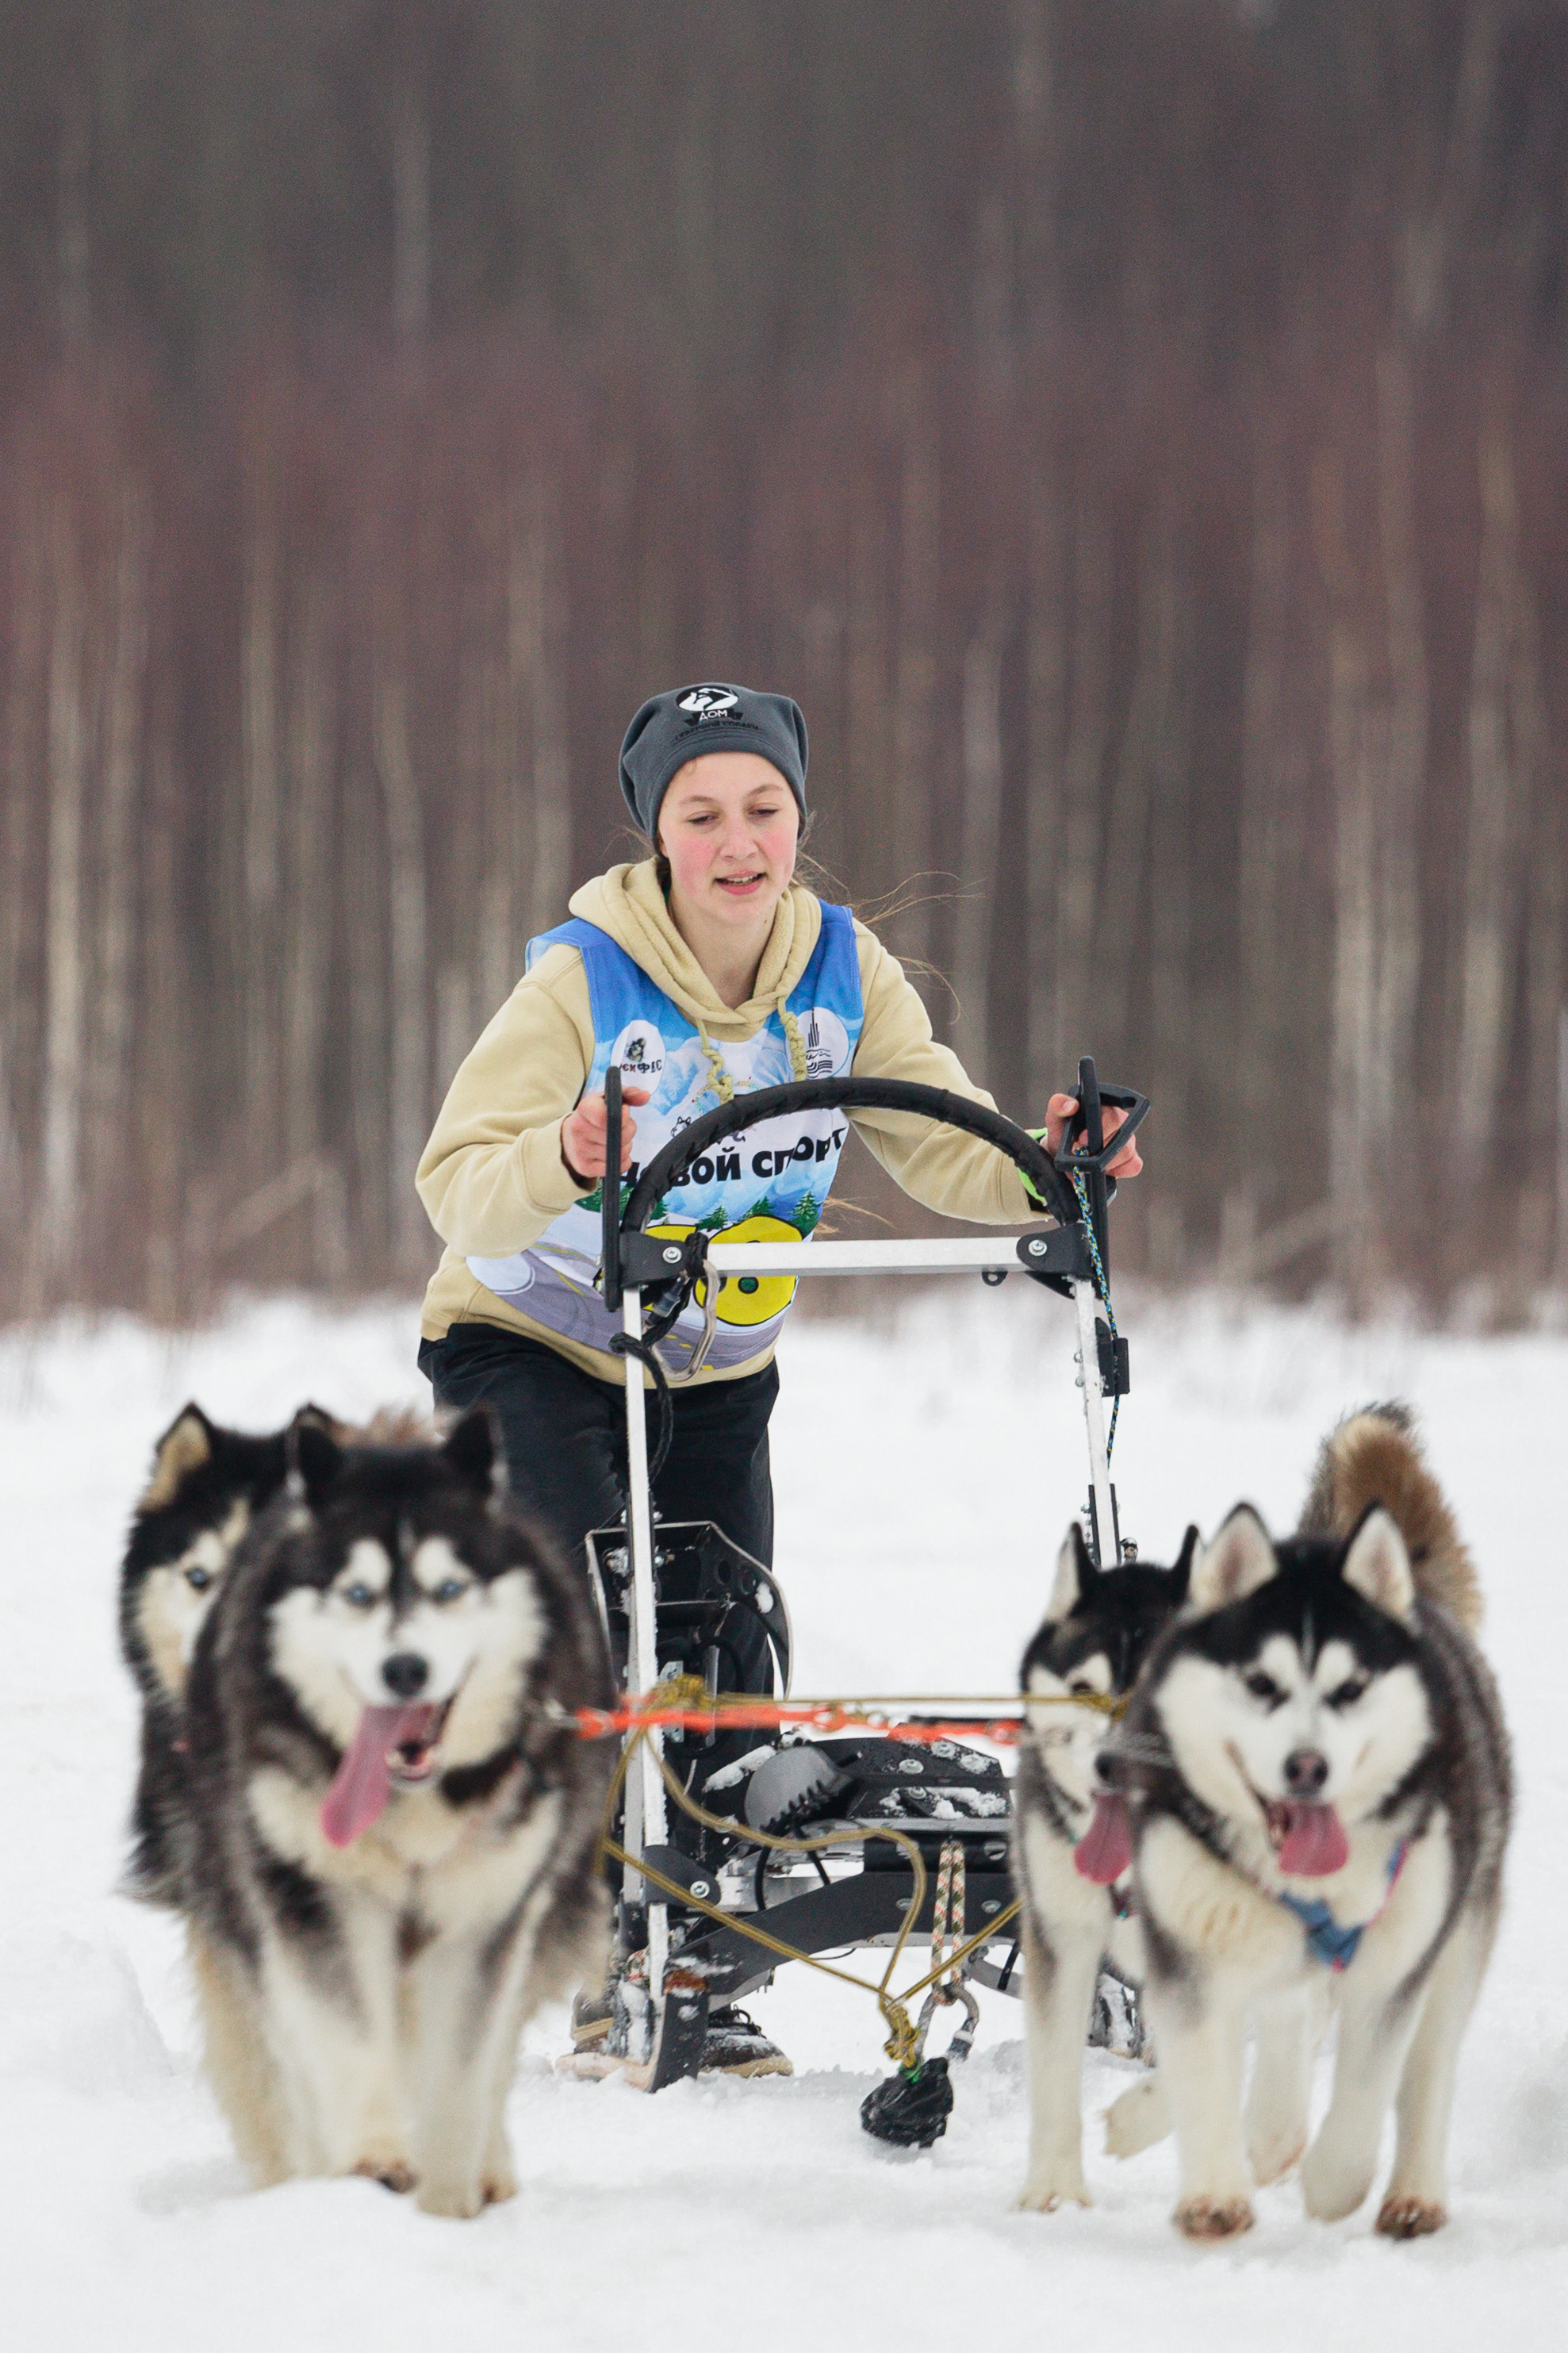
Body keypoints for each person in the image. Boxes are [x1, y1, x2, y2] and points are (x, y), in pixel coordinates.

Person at [415, 680, 1142, 2073]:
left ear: (799, 824)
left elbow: (931, 1133)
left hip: (713, 1352)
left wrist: (1052, 1168)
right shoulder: (582, 976)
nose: (737, 842)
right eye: (703, 814)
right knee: (600, 1622)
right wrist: (568, 1153)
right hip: (534, 1339)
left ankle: (698, 1946)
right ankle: (594, 1953)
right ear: (656, 834)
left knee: (726, 1643)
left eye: (764, 810)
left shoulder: (841, 969)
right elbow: (454, 1188)